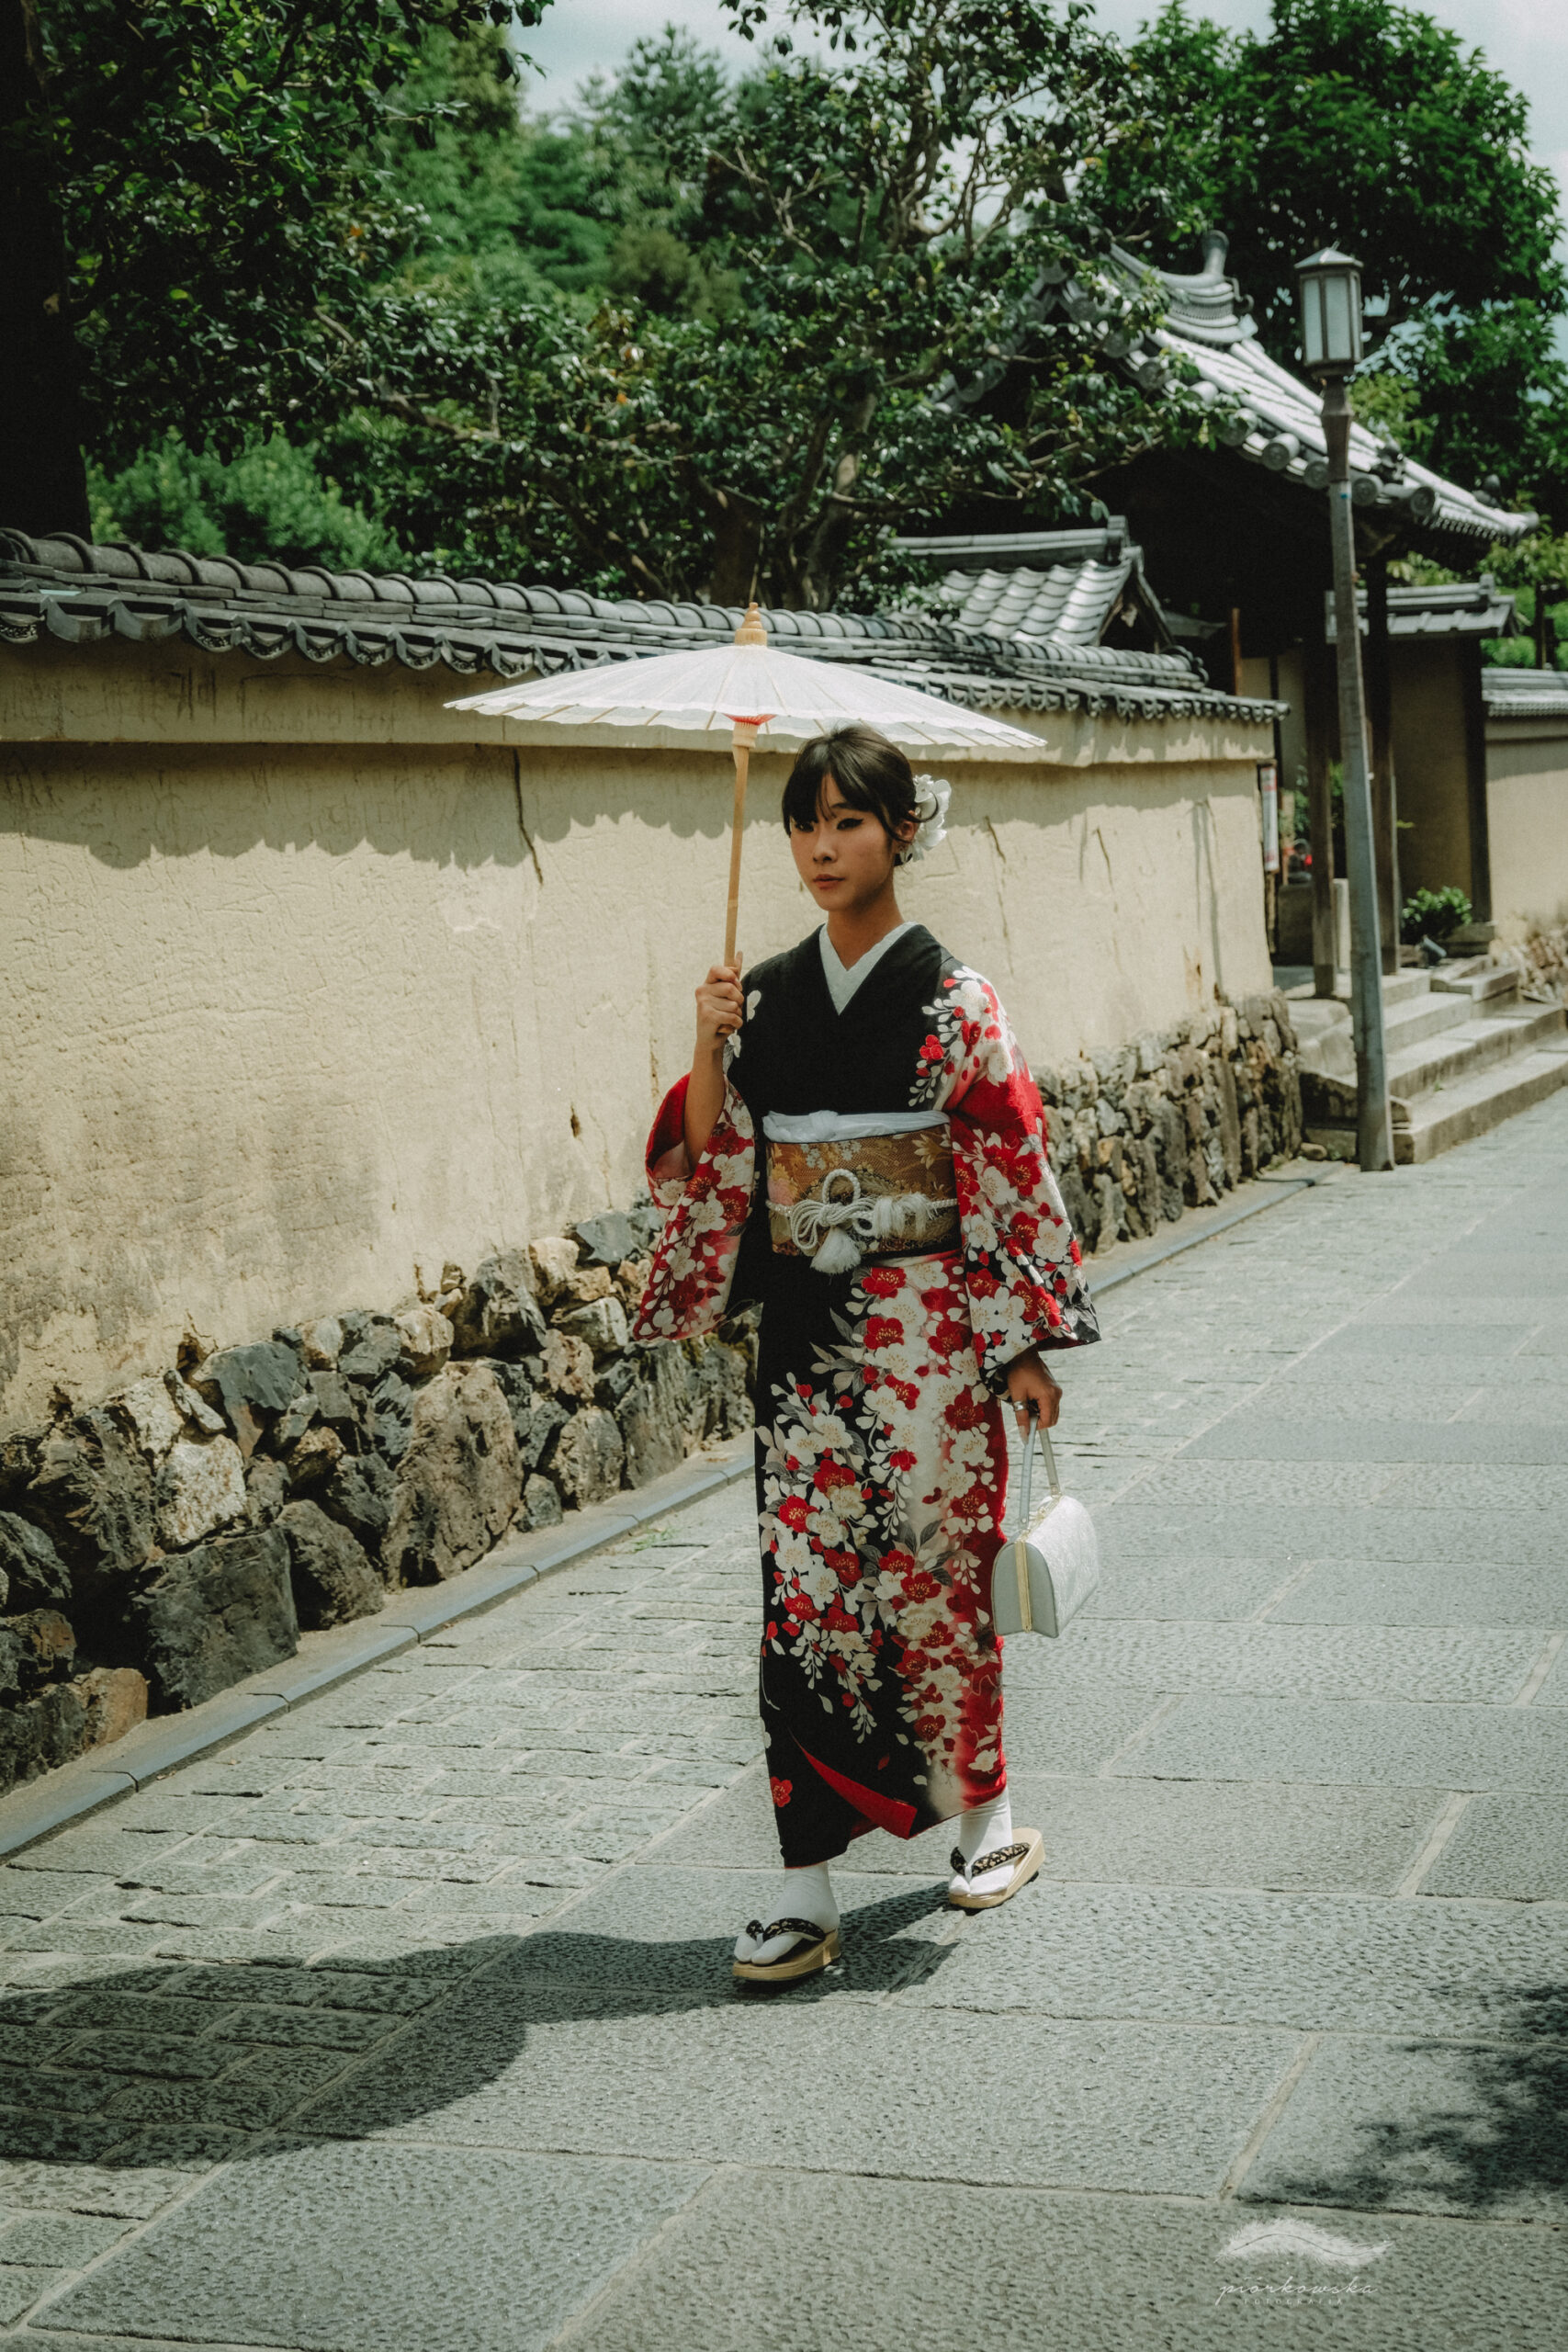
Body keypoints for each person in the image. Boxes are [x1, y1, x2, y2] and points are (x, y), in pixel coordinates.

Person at [632, 723, 1099, 1984]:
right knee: (805, 1596)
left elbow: (1007, 1165)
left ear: (902, 830)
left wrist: (1022, 1344)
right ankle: (805, 1883)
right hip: (806, 1345)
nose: (822, 846)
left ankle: (986, 1818)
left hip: (931, 1336)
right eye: (805, 822)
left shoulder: (956, 999)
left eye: (848, 821)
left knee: (939, 1580)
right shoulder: (766, 996)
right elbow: (704, 1157)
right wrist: (709, 1043)